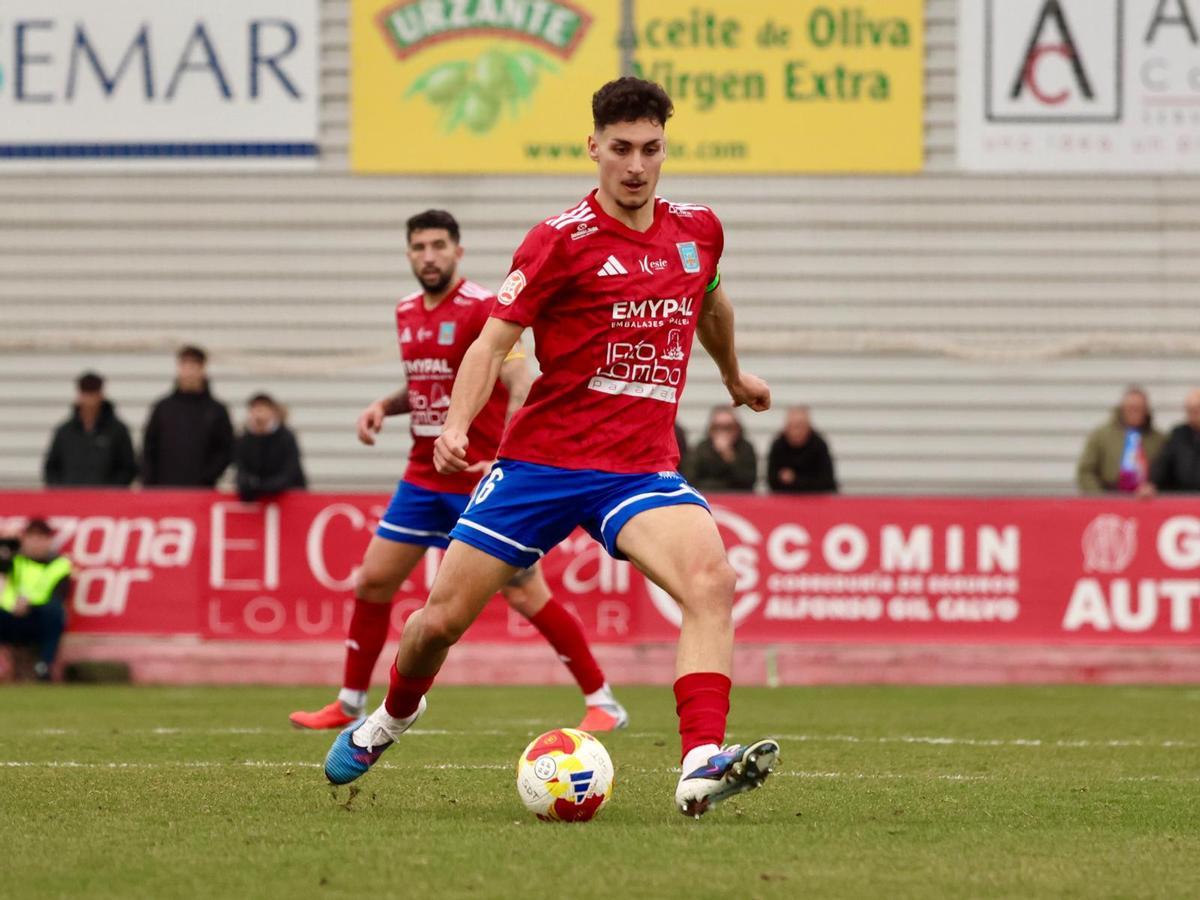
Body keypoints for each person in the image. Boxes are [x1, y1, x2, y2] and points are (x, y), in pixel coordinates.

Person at [324, 79, 779, 817]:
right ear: (593, 146)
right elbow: (491, 343)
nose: (636, 165)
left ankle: (700, 761)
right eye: (622, 149)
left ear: (666, 147)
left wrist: (732, 376)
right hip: (540, 463)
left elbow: (711, 302)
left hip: (637, 469)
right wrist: (455, 423)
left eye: (651, 149)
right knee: (437, 622)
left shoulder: (699, 230)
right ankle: (391, 717)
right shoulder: (558, 240)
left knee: (712, 582)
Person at [291, 210, 627, 733]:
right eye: (419, 246)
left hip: (477, 478)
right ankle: (350, 702)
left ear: (458, 252)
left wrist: (509, 446)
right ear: (408, 254)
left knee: (524, 592)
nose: (429, 256)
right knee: (374, 581)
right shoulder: (405, 311)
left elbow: (519, 377)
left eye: (439, 245)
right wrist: (385, 404)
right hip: (422, 476)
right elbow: (432, 384)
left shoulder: (480, 307)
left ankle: (603, 700)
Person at [141, 345, 234, 487]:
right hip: (164, 491)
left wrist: (207, 477)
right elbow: (149, 448)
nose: (189, 372)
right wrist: (150, 483)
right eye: (185, 365)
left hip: (201, 493)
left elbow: (226, 450)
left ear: (203, 370)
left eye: (194, 366)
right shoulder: (163, 408)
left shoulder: (216, 410)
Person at [0, 519, 71, 682]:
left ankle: (43, 667)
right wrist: (6, 542)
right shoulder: (12, 559)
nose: (36, 544)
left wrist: (28, 605)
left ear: (49, 541)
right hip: (9, 615)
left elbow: (59, 597)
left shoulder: (60, 565)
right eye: (32, 538)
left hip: (38, 617)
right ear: (24, 539)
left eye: (41, 538)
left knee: (55, 612)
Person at [43, 371, 137, 487]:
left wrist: (111, 491)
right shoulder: (65, 432)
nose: (89, 400)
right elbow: (52, 468)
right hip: (70, 499)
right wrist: (61, 490)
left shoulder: (117, 431)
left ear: (101, 395)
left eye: (93, 394)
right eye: (85, 394)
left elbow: (127, 468)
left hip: (105, 500)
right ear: (79, 396)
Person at [1076, 386, 1165, 494]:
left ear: (1146, 411)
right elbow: (1086, 471)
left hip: (1145, 498)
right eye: (1131, 408)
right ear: (1122, 409)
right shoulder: (1101, 435)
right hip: (1110, 495)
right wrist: (1099, 496)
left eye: (1139, 409)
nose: (1135, 413)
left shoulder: (1158, 439)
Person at [234, 393, 307, 502]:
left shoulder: (286, 438)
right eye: (254, 410)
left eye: (261, 410)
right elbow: (241, 470)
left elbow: (290, 472)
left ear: (272, 412)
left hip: (286, 499)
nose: (257, 415)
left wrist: (262, 486)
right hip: (256, 499)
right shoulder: (244, 440)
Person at [767, 405, 838, 494]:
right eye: (792, 426)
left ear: (808, 427)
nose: (796, 432)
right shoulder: (778, 445)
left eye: (799, 426)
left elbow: (827, 482)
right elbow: (772, 481)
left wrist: (795, 480)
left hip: (816, 501)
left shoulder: (819, 446)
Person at [684, 406, 758, 492]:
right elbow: (691, 479)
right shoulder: (701, 448)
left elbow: (748, 481)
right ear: (711, 429)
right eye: (717, 427)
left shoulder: (746, 448)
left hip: (738, 499)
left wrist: (729, 456)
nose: (723, 432)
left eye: (728, 427)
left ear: (737, 428)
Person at [1143, 389, 1200, 495]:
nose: (1193, 416)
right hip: (1182, 497)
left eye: (1196, 410)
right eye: (1189, 411)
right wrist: (1152, 483)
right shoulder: (1178, 434)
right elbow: (1163, 462)